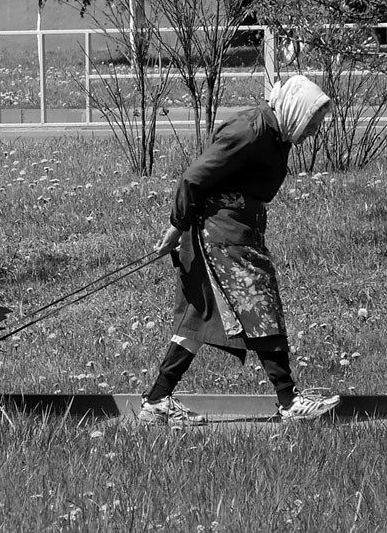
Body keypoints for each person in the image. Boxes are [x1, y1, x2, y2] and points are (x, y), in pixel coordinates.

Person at [139, 74, 341, 427]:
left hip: (238, 232)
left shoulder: (277, 133)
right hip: (220, 234)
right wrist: (177, 227)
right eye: (313, 121)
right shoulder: (251, 130)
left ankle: (157, 400)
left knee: (200, 316)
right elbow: (194, 177)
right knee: (262, 306)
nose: (314, 131)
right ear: (296, 109)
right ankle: (289, 400)